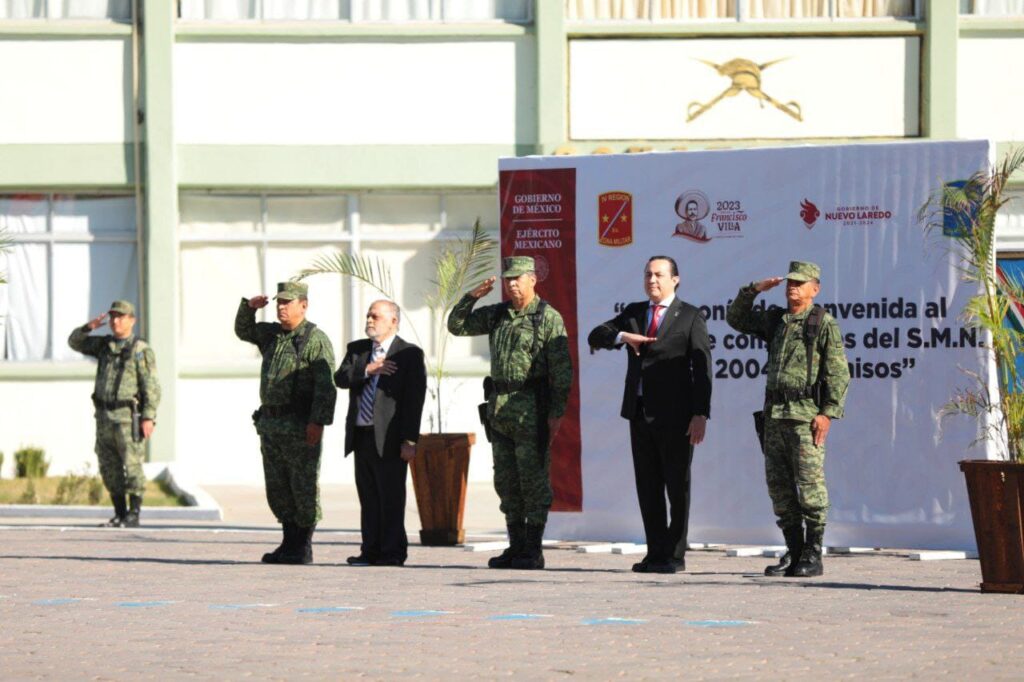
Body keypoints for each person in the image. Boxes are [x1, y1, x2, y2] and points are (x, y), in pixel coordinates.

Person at [587, 255, 711, 574]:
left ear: (675, 279)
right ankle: (655, 551)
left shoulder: (690, 316)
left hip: (677, 417)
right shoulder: (634, 313)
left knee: (676, 487)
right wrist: (622, 337)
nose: (652, 280)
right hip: (640, 414)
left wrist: (700, 414)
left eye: (658, 275)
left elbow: (702, 369)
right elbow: (595, 335)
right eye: (647, 275)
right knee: (648, 486)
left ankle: (675, 554)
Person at [726, 261, 850, 577]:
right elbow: (736, 319)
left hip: (805, 418)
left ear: (815, 288)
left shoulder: (822, 323)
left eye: (800, 282)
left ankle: (813, 553)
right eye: (789, 283)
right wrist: (753, 290)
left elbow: (838, 371)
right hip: (774, 417)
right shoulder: (776, 320)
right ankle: (794, 551)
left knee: (810, 487)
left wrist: (828, 413)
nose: (792, 287)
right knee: (779, 489)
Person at [447, 256, 572, 570]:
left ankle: (533, 548)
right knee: (506, 481)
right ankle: (515, 545)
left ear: (533, 279)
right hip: (500, 408)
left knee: (532, 481)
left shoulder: (547, 317)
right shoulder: (498, 315)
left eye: (518, 278)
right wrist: (471, 297)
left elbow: (561, 371)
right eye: (508, 279)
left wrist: (556, 413)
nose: (512, 284)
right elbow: (457, 326)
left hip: (531, 408)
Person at [235, 281, 336, 565]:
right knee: (278, 488)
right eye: (279, 302)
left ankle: (302, 546)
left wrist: (318, 422)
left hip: (300, 427)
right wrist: (248, 308)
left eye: (287, 303)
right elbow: (244, 331)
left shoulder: (315, 339)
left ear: (303, 305)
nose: (281, 307)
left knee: (302, 487)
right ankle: (288, 542)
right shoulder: (272, 336)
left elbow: (325, 387)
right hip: (272, 425)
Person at [335, 300, 426, 567]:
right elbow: (340, 378)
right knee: (369, 496)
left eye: (376, 316)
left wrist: (410, 440)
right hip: (361, 435)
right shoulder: (358, 350)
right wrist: (368, 369)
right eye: (368, 316)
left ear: (393, 321)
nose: (370, 320)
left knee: (390, 497)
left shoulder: (408, 354)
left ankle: (392, 551)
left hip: (390, 438)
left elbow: (413, 400)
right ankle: (370, 550)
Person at [69, 300, 161, 528]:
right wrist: (89, 327)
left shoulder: (141, 350)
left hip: (127, 417)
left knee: (132, 465)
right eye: (112, 317)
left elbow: (152, 386)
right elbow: (74, 343)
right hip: (103, 416)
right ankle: (119, 512)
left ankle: (134, 512)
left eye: (120, 317)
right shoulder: (104, 345)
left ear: (132, 320)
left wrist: (148, 417)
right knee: (108, 465)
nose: (115, 321)